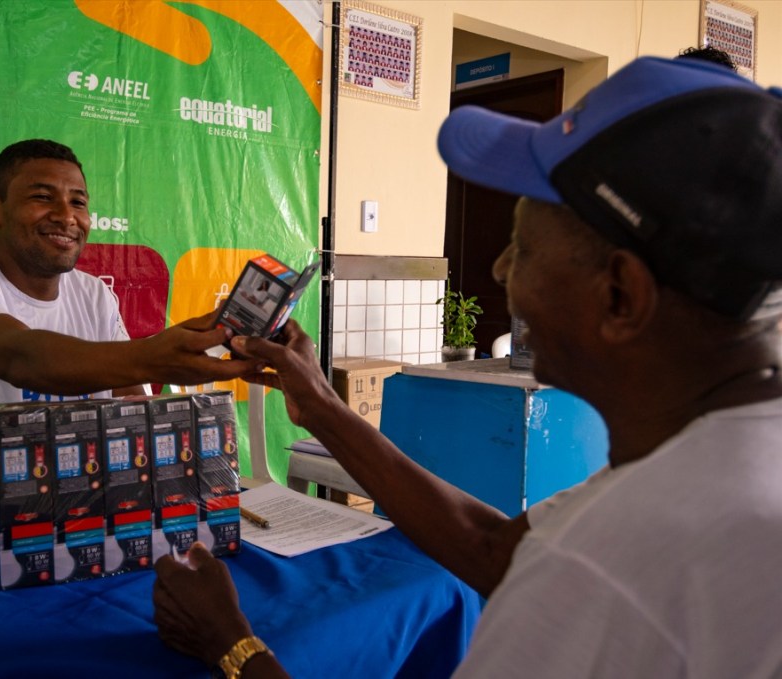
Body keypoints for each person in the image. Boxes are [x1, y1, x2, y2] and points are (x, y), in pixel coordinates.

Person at [152, 56, 782, 677]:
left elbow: (543, 564)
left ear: (621, 295)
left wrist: (233, 645)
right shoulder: (724, 458)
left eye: (525, 246)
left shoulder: (606, 565)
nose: (503, 270)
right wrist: (319, 404)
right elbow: (497, 550)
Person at [0, 139, 263, 535]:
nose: (66, 216)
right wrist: (155, 354)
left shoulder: (94, 294)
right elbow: (22, 358)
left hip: (67, 521)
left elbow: (130, 398)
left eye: (79, 202)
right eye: (42, 197)